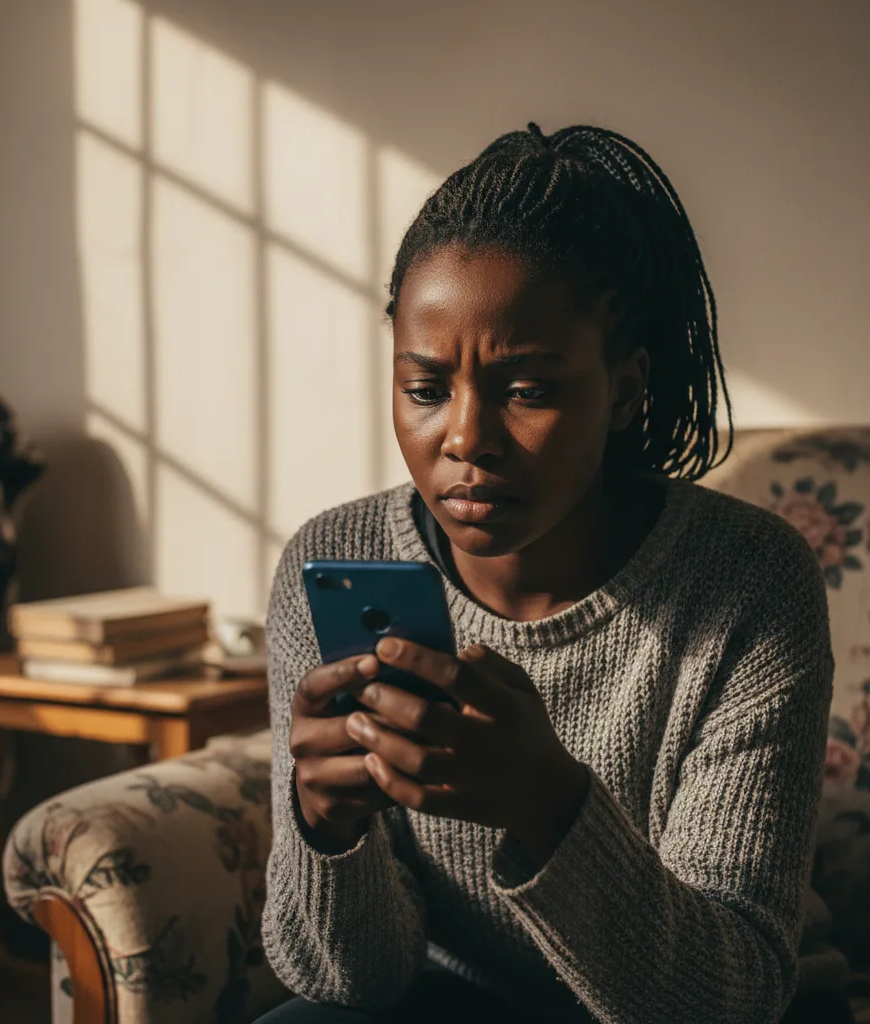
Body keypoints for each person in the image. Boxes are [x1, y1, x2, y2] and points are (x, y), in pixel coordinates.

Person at [255, 122, 848, 1024]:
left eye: (526, 390)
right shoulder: (332, 565)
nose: (463, 439)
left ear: (627, 387)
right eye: (423, 389)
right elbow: (349, 986)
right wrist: (327, 833)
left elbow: (726, 1000)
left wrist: (550, 802)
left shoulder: (749, 584)